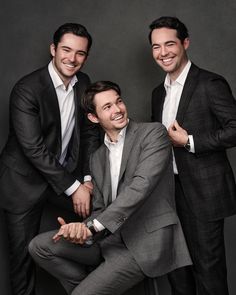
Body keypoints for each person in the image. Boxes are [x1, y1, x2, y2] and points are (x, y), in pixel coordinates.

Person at [29, 80, 192, 295]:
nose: (117, 110)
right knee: (39, 246)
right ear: (93, 117)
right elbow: (99, 210)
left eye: (119, 102)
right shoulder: (97, 158)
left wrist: (90, 227)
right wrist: (80, 230)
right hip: (108, 240)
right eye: (107, 107)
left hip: (144, 241)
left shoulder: (153, 134)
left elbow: (139, 188)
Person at [0, 23, 101, 295]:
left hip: (63, 177)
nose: (72, 58)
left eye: (80, 53)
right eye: (66, 50)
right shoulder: (27, 89)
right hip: (23, 182)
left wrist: (88, 181)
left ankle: (90, 287)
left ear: (86, 56)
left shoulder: (84, 84)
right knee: (21, 259)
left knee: (102, 218)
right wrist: (75, 187)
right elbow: (33, 149)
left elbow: (91, 133)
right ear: (53, 49)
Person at [149, 16, 236, 295]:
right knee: (177, 273)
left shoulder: (210, 83)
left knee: (209, 275)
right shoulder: (157, 94)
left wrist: (189, 141)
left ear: (185, 43)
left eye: (170, 44)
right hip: (169, 196)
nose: (163, 53)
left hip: (204, 194)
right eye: (156, 47)